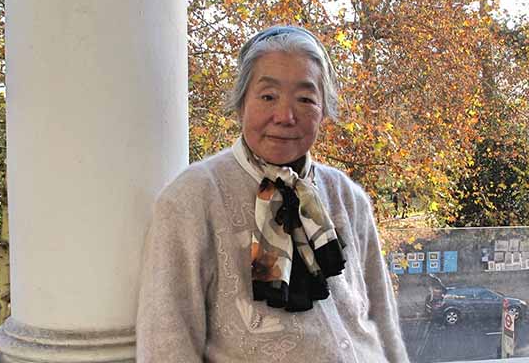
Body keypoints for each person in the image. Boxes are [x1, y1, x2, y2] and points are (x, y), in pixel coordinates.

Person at [137, 26, 410, 363]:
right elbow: (166, 343)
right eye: (268, 96)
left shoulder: (345, 195)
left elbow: (382, 319)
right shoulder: (192, 199)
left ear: (324, 110)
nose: (285, 116)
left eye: (305, 99)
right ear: (241, 104)